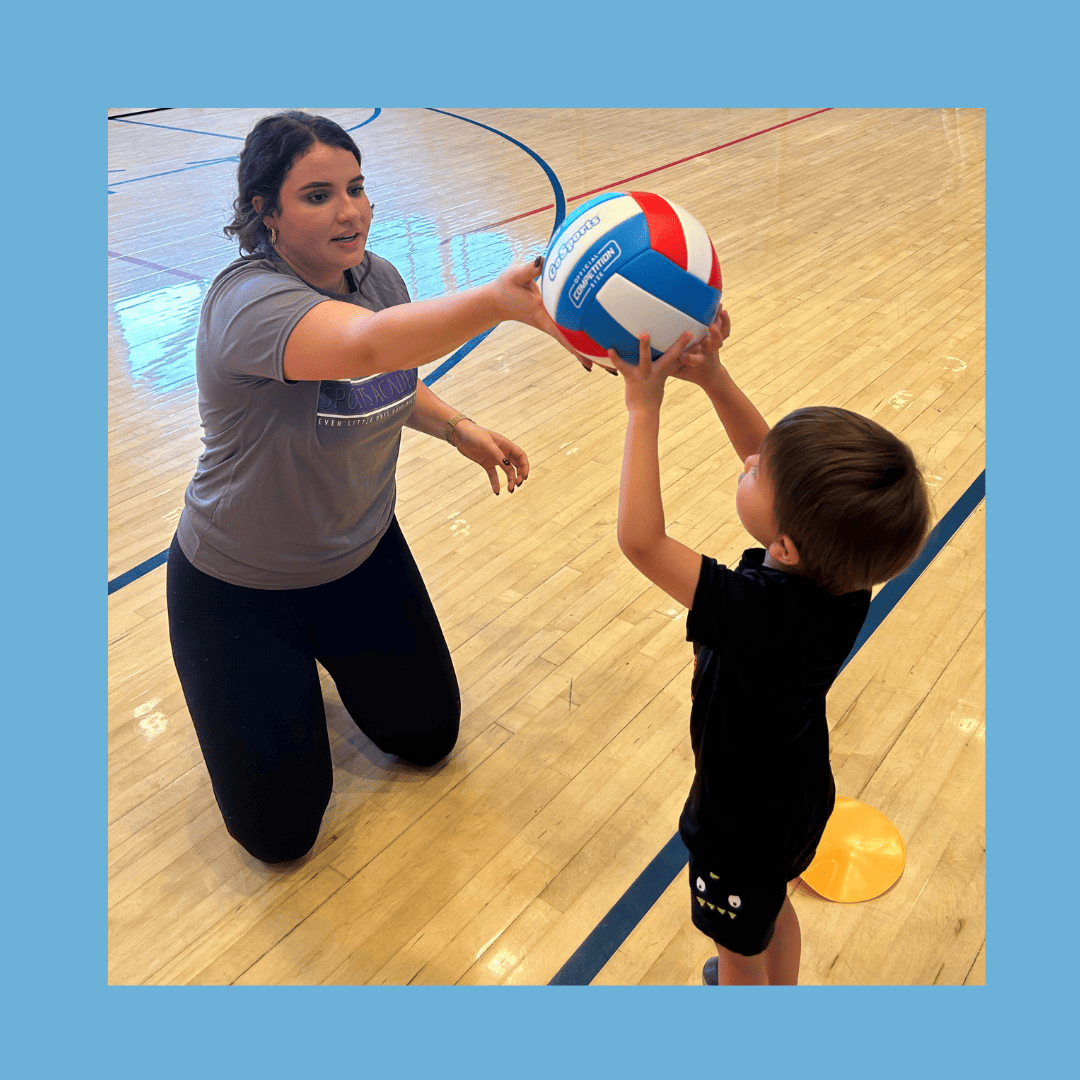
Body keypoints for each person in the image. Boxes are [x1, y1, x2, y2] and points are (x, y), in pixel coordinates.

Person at [166, 110, 581, 865]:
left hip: (359, 557)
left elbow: (385, 373)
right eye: (317, 195)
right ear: (266, 211)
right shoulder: (246, 302)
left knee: (429, 739)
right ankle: (272, 676)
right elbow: (359, 349)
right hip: (240, 584)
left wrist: (458, 427)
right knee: (280, 837)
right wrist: (498, 301)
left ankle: (317, 663)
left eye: (356, 187)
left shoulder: (377, 278)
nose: (350, 210)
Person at [610, 314, 931, 985]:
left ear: (785, 547)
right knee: (770, 910)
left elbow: (642, 542)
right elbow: (780, 471)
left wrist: (644, 408)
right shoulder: (843, 579)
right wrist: (716, 380)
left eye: (758, 476)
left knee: (736, 953)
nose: (749, 461)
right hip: (795, 795)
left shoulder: (757, 612)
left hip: (738, 824)